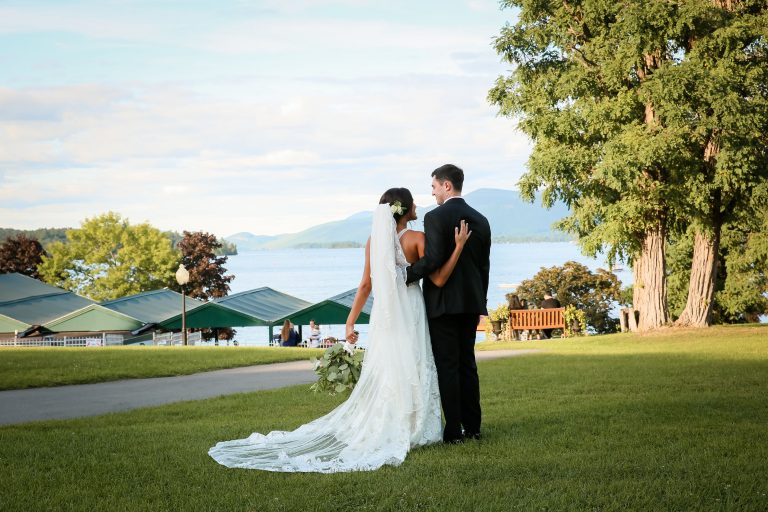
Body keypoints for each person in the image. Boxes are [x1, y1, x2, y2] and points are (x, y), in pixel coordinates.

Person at [208, 187, 470, 472]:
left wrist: (350, 321)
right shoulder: (418, 239)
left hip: (385, 315)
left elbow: (365, 285)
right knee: (415, 361)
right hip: (411, 310)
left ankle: (394, 422)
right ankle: (417, 426)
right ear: (404, 209)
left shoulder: (375, 242)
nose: (418, 205)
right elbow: (438, 278)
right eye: (413, 203)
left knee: (389, 366)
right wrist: (458, 247)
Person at [406, 164, 491, 444]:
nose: (432, 194)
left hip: (442, 304)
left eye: (433, 187)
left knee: (447, 366)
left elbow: (432, 261)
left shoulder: (435, 217)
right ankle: (474, 427)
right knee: (468, 364)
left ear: (446, 185)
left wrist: (403, 276)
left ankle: (454, 430)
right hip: (470, 304)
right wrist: (482, 300)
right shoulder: (481, 219)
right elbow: (483, 267)